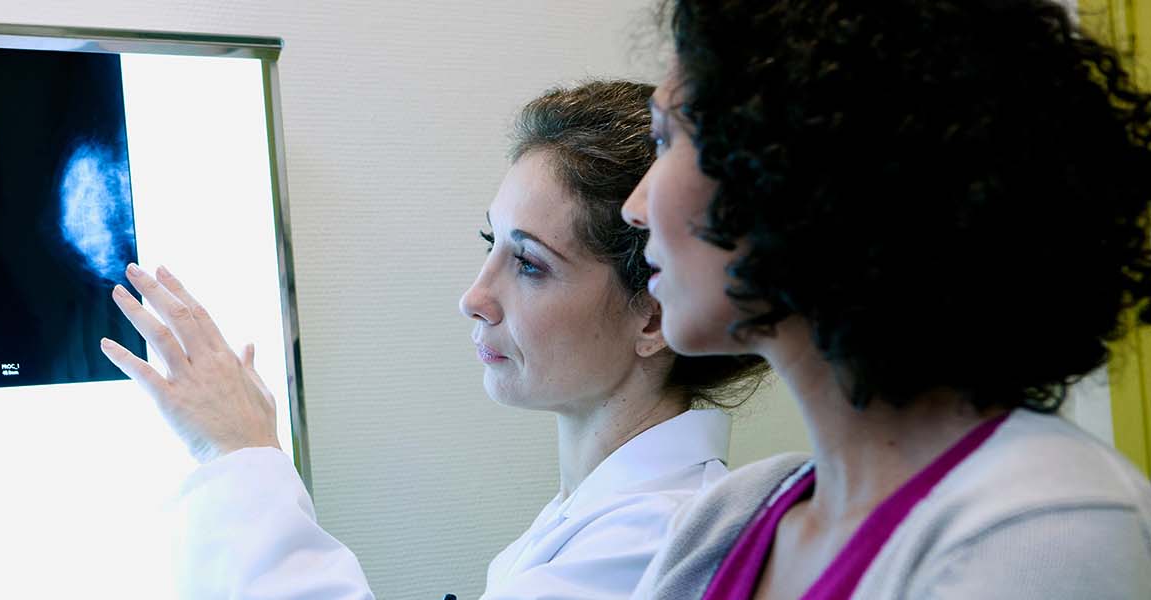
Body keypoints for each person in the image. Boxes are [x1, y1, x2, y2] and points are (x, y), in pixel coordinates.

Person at [98, 80, 765, 599]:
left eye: (529, 263)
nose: (473, 297)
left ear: (651, 316)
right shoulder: (600, 513)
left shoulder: (654, 538)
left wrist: (241, 455)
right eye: (490, 244)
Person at [617, 1, 1151, 598]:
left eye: (666, 139)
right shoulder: (726, 520)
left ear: (796, 156)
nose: (634, 207)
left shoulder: (1047, 526)